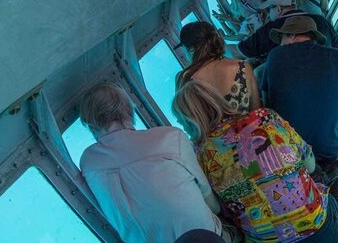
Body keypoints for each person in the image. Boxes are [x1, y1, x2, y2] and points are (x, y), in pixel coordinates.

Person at [172, 82, 338, 243]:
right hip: (326, 232)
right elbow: (309, 165)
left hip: (265, 239)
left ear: (190, 122)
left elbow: (218, 207)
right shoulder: (264, 117)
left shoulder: (200, 155)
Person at [78, 82, 227, 242]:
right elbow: (209, 197)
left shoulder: (88, 162)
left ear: (89, 124)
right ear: (129, 110)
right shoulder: (170, 137)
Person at [260, 16, 338, 162]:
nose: (280, 44)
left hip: (283, 149)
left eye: (281, 38)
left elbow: (266, 105)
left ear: (291, 35)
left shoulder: (275, 55)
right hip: (326, 156)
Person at [176, 21, 261, 114]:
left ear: (191, 49)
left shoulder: (184, 79)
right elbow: (257, 111)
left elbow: (189, 122)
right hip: (252, 127)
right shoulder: (242, 67)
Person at [235, 0, 338, 61]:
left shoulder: (272, 28)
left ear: (278, 9)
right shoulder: (321, 20)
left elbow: (240, 52)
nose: (267, 13)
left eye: (268, 9)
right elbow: (337, 48)